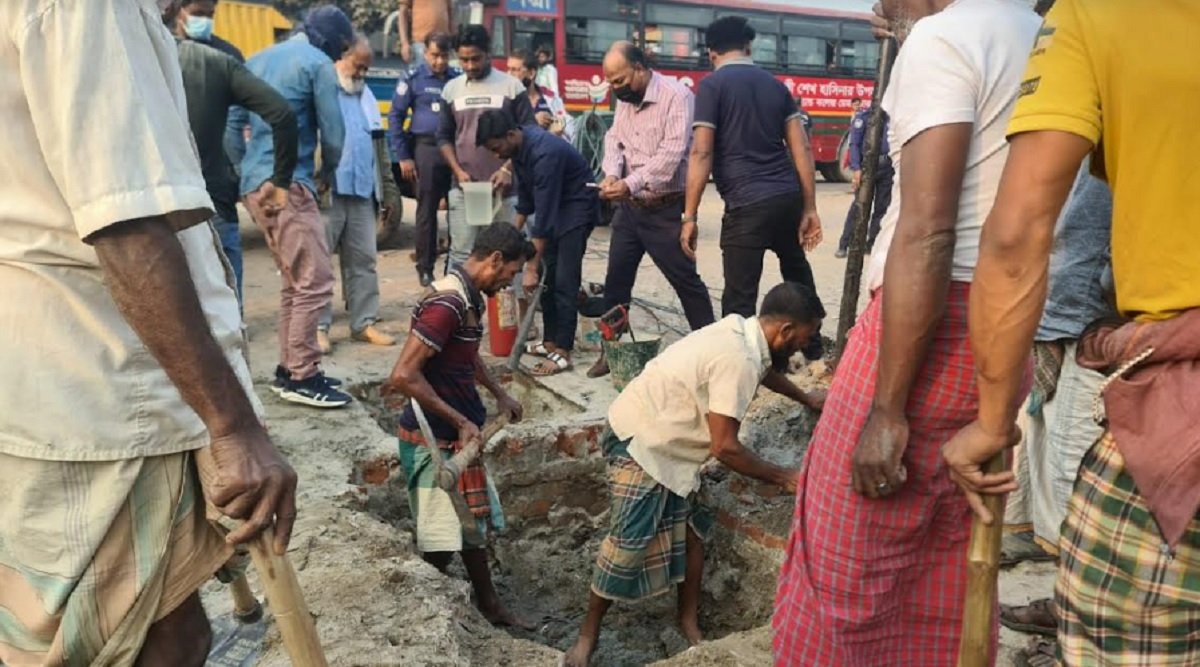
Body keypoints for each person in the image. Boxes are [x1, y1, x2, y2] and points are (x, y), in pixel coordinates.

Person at [0, 3, 297, 664]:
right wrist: (233, 425)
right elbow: (126, 226)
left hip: (47, 378)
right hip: (102, 388)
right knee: (155, 638)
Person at [772, 2, 1041, 665]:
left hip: (931, 324)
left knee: (840, 561)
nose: (876, 7)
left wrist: (886, 409)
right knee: (939, 551)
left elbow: (928, 230)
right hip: (1008, 323)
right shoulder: (1040, 32)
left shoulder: (947, 40)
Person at [940, 1, 1200, 665]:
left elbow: (1018, 230)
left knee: (1124, 622)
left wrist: (991, 422)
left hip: (1179, 403)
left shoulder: (1100, 15)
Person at [561, 282, 828, 667]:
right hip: (643, 443)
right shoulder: (738, 357)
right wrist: (786, 476)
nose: (805, 345)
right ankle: (586, 638)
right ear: (785, 331)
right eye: (805, 337)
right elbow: (725, 448)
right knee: (627, 546)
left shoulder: (744, 331)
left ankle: (688, 624)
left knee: (695, 531)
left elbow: (764, 369)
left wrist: (804, 397)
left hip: (672, 447)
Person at [386, 221, 535, 630]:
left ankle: (488, 606)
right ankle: (423, 619)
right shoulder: (447, 304)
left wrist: (498, 394)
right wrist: (461, 420)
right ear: (495, 259)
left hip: (456, 437)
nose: (508, 283)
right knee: (439, 540)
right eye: (508, 274)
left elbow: (465, 355)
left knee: (470, 529)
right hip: (432, 439)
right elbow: (403, 375)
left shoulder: (466, 302)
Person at [996, 160, 1114, 660]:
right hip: (1060, 307)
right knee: (1040, 446)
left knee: (1073, 469)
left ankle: (1077, 616)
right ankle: (1045, 554)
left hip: (1089, 319)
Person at [228, 6, 353, 408]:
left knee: (293, 282)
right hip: (289, 183)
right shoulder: (317, 63)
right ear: (331, 41)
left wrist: (244, 167)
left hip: (253, 182)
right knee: (315, 280)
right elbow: (333, 132)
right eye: (339, 50)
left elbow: (233, 123)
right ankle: (303, 375)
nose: (338, 58)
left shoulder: (258, 58)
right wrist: (328, 170)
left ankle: (289, 369)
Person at [684, 16, 825, 360]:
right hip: (786, 197)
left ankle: (742, 362)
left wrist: (689, 214)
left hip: (746, 204)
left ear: (711, 53)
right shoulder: (776, 85)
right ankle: (813, 346)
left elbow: (702, 152)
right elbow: (802, 149)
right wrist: (809, 207)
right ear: (748, 46)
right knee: (796, 269)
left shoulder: (711, 87)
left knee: (739, 296)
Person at [589, 41, 716, 379]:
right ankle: (610, 352)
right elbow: (614, 141)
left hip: (665, 208)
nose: (614, 89)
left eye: (619, 81)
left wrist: (629, 183)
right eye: (610, 82)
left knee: (686, 283)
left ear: (641, 69)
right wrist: (613, 174)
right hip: (630, 211)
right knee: (616, 282)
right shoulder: (625, 100)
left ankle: (712, 353)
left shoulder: (677, 97)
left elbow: (672, 154)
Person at [175, 14, 297, 308]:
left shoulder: (127, 61)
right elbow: (282, 114)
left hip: (155, 210)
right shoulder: (219, 61)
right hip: (213, 200)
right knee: (226, 308)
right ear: (175, 10)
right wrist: (280, 181)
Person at [476, 110, 598, 376]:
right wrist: (508, 234)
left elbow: (543, 215)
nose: (497, 156)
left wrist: (530, 266)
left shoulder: (545, 153)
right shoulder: (518, 150)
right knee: (548, 280)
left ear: (510, 134)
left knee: (564, 280)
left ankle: (563, 351)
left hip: (576, 210)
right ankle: (550, 341)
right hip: (554, 209)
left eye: (497, 148)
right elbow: (528, 201)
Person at [318, 37, 396, 352]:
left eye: (366, 67)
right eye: (358, 65)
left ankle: (363, 324)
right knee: (318, 263)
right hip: (329, 192)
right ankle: (318, 327)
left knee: (364, 261)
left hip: (363, 191)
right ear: (342, 56)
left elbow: (380, 147)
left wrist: (388, 191)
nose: (362, 72)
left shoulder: (367, 95)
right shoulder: (323, 89)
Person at [437, 24, 536, 271]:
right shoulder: (452, 89)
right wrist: (458, 171)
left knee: (508, 256)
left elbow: (530, 133)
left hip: (507, 193)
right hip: (464, 190)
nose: (470, 66)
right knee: (462, 254)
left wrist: (507, 169)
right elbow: (443, 137)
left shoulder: (512, 87)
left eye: (476, 59)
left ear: (489, 53)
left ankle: (507, 311)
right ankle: (462, 308)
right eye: (464, 60)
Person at [391, 32, 460, 287]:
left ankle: (456, 264)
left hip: (454, 150)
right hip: (426, 150)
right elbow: (396, 118)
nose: (439, 61)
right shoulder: (413, 78)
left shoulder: (458, 79)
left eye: (444, 55)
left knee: (458, 209)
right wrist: (404, 157)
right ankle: (425, 267)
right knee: (427, 211)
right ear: (425, 53)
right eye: (434, 55)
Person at [835, 102, 893, 258]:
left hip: (887, 166)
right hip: (867, 166)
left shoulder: (891, 117)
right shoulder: (863, 118)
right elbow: (854, 145)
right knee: (859, 206)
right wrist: (856, 168)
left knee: (882, 208)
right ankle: (845, 244)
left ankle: (871, 243)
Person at [507, 48, 576, 142]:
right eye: (508, 69)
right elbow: (504, 134)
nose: (509, 74)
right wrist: (533, 122)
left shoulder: (550, 98)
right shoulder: (505, 100)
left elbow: (570, 129)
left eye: (515, 70)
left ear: (531, 73)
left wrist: (557, 127)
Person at [177, 0, 243, 62]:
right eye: (198, 14)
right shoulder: (169, 49)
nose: (205, 19)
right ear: (179, 12)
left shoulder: (229, 54)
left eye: (210, 15)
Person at [397, 0, 452, 65]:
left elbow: (449, 11)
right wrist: (404, 43)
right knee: (420, 73)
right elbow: (403, 13)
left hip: (443, 42)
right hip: (421, 42)